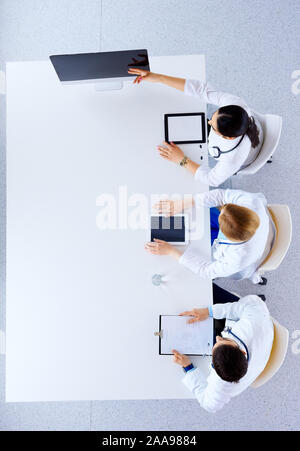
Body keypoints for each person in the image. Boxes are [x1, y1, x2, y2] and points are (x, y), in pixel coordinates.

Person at [128, 68, 263, 187]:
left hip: (247, 157)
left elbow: (212, 179)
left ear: (228, 137)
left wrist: (181, 160)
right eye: (214, 116)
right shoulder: (236, 104)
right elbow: (201, 90)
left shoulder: (233, 157)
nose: (209, 123)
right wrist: (158, 78)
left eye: (214, 127)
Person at [172, 284, 274, 413]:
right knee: (207, 289)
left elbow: (209, 405)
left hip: (257, 351)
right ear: (242, 351)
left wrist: (188, 367)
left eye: (214, 348)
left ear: (214, 367)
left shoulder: (222, 383)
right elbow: (249, 304)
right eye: (224, 339)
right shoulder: (251, 321)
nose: (217, 338)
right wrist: (209, 312)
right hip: (256, 324)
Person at [145, 188, 275, 284]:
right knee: (199, 216)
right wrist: (183, 203)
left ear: (228, 236)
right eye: (223, 210)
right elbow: (221, 195)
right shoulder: (251, 203)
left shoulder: (238, 257)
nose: (220, 211)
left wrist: (171, 251)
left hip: (250, 258)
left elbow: (206, 271)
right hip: (251, 231)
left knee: (196, 244)